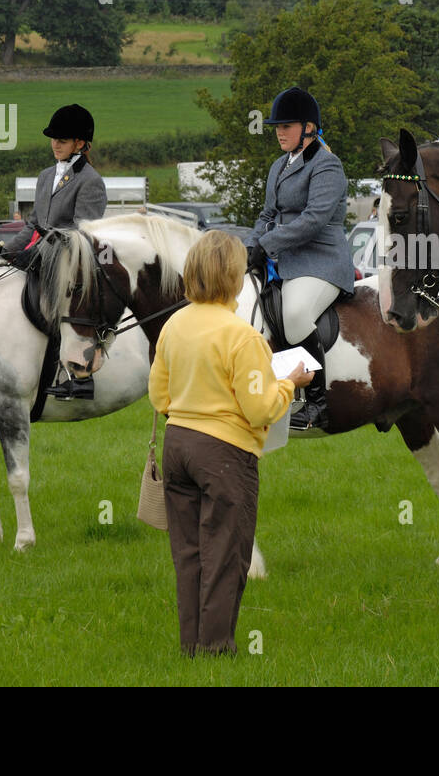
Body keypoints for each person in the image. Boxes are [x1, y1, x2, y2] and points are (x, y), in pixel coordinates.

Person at [148, 231, 314, 656]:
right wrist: (290, 383)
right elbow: (260, 410)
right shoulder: (243, 337)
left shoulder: (173, 325)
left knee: (189, 554)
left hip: (177, 444)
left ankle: (191, 645)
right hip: (223, 455)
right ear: (234, 279)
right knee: (224, 554)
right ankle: (216, 648)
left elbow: (159, 397)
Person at [245, 87, 356, 431]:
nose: (279, 131)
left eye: (287, 125)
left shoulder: (328, 165)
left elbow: (313, 220)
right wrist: (251, 245)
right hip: (287, 259)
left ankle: (318, 403)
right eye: (277, 126)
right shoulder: (279, 165)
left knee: (294, 314)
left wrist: (267, 244)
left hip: (321, 261)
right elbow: (267, 214)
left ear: (309, 127)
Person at [0, 103, 108, 397]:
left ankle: (81, 376)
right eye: (53, 138)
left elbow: (82, 234)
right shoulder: (46, 176)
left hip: (72, 262)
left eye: (62, 139)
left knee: (70, 310)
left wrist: (38, 253)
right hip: (42, 255)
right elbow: (33, 223)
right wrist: (8, 250)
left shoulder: (91, 181)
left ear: (80, 144)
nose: (55, 144)